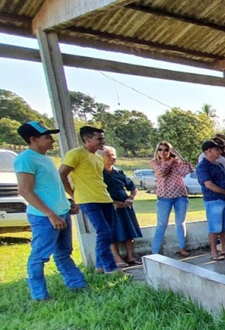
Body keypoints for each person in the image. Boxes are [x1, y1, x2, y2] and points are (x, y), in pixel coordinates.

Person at [14, 121, 87, 300]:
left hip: (61, 213)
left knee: (63, 252)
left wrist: (68, 202)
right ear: (33, 139)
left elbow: (49, 188)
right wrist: (50, 214)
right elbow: (25, 190)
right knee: (39, 256)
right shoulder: (26, 159)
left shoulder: (44, 158)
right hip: (45, 218)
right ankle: (39, 295)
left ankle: (77, 285)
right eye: (47, 137)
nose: (52, 140)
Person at [58, 126, 117, 274]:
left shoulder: (98, 156)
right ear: (87, 139)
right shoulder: (76, 154)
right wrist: (73, 195)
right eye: (99, 139)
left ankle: (100, 267)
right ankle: (111, 268)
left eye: (103, 138)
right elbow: (62, 175)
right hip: (88, 200)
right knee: (104, 232)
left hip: (104, 198)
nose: (102, 141)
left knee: (107, 232)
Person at [100, 146, 142, 267]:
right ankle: (117, 257)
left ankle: (130, 256)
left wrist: (130, 198)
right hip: (109, 207)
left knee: (130, 230)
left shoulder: (119, 172)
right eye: (108, 155)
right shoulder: (98, 173)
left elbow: (133, 188)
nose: (112, 158)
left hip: (125, 206)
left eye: (114, 155)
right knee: (112, 232)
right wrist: (112, 202)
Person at [150, 141, 193, 257]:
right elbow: (162, 171)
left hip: (179, 196)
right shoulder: (154, 163)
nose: (163, 152)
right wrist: (169, 161)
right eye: (160, 149)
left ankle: (182, 247)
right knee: (162, 224)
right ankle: (155, 250)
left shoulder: (177, 163)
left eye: (166, 150)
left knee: (180, 223)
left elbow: (187, 170)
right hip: (164, 197)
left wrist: (177, 156)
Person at [197, 140, 225, 261]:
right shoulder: (202, 166)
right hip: (213, 200)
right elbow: (208, 184)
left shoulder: (219, 164)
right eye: (217, 149)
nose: (220, 151)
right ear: (208, 151)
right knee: (215, 227)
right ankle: (214, 252)